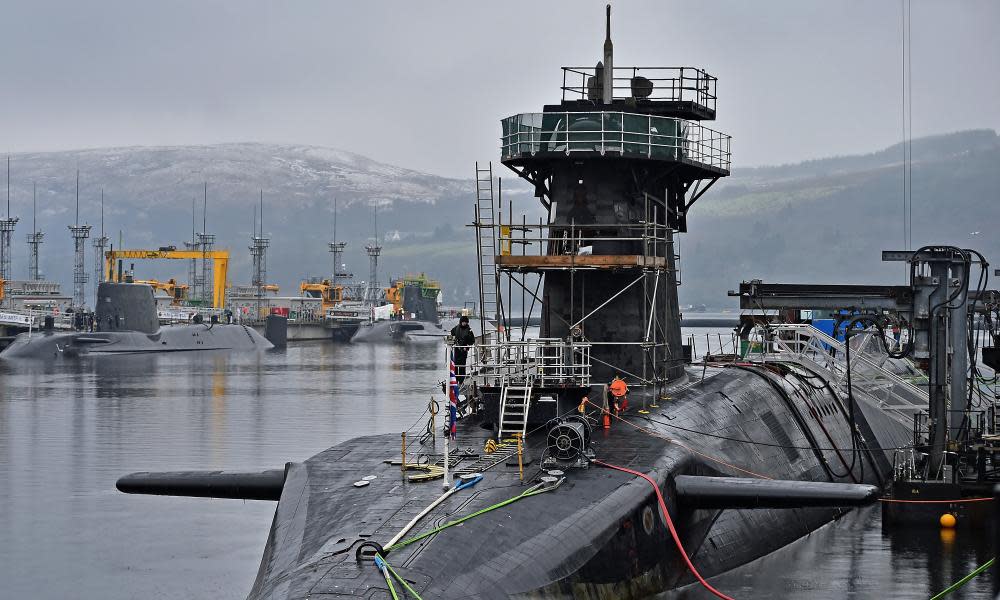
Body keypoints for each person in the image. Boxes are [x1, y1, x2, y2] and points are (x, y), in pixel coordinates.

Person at [450, 315, 476, 383]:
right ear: (461, 322)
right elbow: (452, 333)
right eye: (463, 322)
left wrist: (467, 346)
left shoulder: (469, 330)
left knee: (462, 365)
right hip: (457, 348)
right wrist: (454, 341)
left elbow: (472, 340)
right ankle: (455, 379)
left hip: (464, 349)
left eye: (466, 322)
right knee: (455, 365)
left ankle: (461, 380)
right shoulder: (456, 328)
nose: (464, 323)